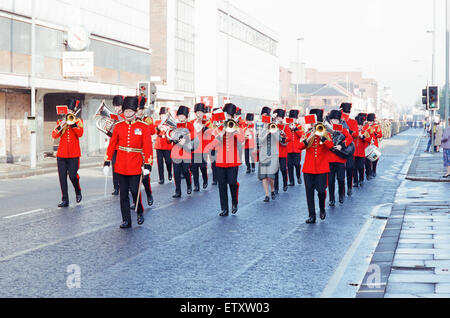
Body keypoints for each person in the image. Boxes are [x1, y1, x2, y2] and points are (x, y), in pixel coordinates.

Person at [103, 96, 153, 229]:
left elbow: (147, 146)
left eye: (130, 112)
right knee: (123, 194)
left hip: (135, 164)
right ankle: (126, 219)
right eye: (126, 112)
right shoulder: (118, 126)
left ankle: (140, 211)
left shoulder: (143, 126)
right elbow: (112, 145)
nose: (128, 114)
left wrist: (148, 164)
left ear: (135, 112)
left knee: (135, 191)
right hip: (120, 164)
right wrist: (107, 162)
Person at [205, 103, 245, 216]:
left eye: (230, 116)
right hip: (220, 160)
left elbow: (242, 140)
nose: (228, 118)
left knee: (232, 182)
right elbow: (212, 144)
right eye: (226, 115)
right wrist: (221, 132)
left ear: (233, 117)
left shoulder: (236, 126)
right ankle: (224, 208)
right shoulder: (218, 128)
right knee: (222, 185)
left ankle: (234, 202)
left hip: (233, 160)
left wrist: (235, 131)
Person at [299, 109, 334, 224]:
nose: (315, 125)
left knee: (321, 191)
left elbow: (331, 146)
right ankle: (312, 215)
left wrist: (322, 137)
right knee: (309, 193)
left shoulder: (325, 133)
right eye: (314, 123)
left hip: (322, 168)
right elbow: (300, 146)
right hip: (308, 168)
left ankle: (322, 208)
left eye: (317, 123)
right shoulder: (307, 133)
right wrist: (311, 136)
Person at [52, 98, 84, 208]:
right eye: (68, 110)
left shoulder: (78, 121)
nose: (69, 112)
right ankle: (65, 199)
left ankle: (77, 190)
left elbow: (80, 134)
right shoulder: (60, 122)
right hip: (62, 154)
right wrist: (62, 124)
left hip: (74, 154)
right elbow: (54, 135)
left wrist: (73, 124)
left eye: (71, 110)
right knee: (62, 177)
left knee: (73, 176)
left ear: (73, 111)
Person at [326, 110, 353, 206]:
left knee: (341, 179)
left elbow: (349, 138)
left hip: (340, 158)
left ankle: (341, 195)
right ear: (330, 120)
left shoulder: (342, 129)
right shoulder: (326, 129)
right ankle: (331, 199)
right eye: (333, 119)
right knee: (331, 180)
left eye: (337, 120)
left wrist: (342, 145)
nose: (335, 121)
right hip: (329, 158)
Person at [171, 106, 196, 198]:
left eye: (183, 116)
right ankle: (178, 191)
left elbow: (194, 133)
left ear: (186, 117)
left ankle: (189, 185)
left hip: (186, 151)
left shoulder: (189, 124)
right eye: (179, 116)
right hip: (176, 151)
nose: (181, 117)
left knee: (186, 171)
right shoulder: (174, 124)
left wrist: (186, 138)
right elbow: (170, 136)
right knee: (176, 172)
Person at [136, 97, 155, 206]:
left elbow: (152, 132)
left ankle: (149, 194)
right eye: (138, 109)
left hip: (144, 152)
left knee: (145, 177)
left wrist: (146, 122)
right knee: (135, 178)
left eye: (141, 109)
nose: (140, 111)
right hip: (134, 152)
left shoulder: (147, 119)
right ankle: (136, 200)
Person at [257, 118, 280, 202]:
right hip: (263, 155)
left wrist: (273, 131)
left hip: (273, 155)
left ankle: (272, 189)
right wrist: (266, 132)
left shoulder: (275, 129)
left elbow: (278, 139)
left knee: (270, 176)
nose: (266, 123)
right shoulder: (262, 130)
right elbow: (260, 141)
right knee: (264, 176)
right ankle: (267, 195)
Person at [190, 103, 211, 192]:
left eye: (201, 112)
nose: (200, 114)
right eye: (198, 112)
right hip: (193, 148)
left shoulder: (207, 122)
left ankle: (205, 179)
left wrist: (206, 128)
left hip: (203, 148)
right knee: (194, 168)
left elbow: (210, 135)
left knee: (202, 167)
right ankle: (196, 185)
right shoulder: (191, 123)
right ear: (195, 113)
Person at [340, 103, 358, 196]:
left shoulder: (353, 122)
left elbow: (356, 134)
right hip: (340, 148)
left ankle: (349, 187)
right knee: (341, 171)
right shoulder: (338, 121)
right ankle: (342, 190)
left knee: (350, 168)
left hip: (350, 148)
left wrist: (349, 131)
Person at [273, 109, 292, 194]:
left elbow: (290, 137)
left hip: (283, 151)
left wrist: (283, 139)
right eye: (277, 117)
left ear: (282, 118)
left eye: (280, 117)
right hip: (274, 151)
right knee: (275, 170)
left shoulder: (285, 126)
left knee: (283, 169)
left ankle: (285, 183)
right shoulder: (272, 125)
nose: (278, 119)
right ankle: (276, 187)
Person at [154, 107, 173, 184]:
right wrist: (158, 128)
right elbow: (156, 131)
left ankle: (169, 173)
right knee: (160, 162)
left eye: (165, 115)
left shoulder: (170, 123)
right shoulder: (157, 122)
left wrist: (167, 129)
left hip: (167, 144)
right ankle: (161, 178)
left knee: (168, 161)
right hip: (159, 144)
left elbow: (172, 132)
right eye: (162, 115)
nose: (163, 117)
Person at [111, 95, 125, 195]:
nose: (116, 108)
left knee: (123, 167)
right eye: (115, 106)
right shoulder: (113, 117)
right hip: (115, 147)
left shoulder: (125, 116)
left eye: (118, 106)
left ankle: (124, 185)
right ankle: (116, 187)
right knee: (114, 167)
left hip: (123, 146)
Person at [354, 114, 372, 187]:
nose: (359, 127)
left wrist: (363, 137)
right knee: (354, 168)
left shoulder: (365, 132)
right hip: (354, 153)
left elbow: (369, 140)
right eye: (358, 125)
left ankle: (361, 179)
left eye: (360, 125)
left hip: (361, 153)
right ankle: (355, 181)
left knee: (361, 167)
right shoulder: (354, 131)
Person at [287, 109, 304, 186]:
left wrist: (295, 129)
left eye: (294, 118)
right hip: (289, 149)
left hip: (297, 149)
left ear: (296, 119)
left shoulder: (299, 126)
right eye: (291, 118)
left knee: (297, 164)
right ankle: (291, 181)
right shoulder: (286, 126)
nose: (292, 120)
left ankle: (298, 176)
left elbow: (302, 135)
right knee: (289, 166)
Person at [367, 113, 382, 178]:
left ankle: (374, 170)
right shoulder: (366, 126)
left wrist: (376, 135)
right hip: (367, 144)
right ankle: (369, 171)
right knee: (368, 159)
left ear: (373, 121)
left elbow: (380, 134)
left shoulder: (376, 127)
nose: (369, 122)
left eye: (371, 121)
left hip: (374, 145)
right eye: (369, 121)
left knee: (375, 158)